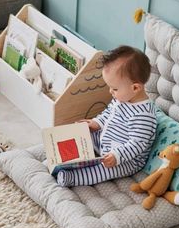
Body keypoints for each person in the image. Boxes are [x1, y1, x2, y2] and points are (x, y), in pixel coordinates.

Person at [57, 45, 157, 186]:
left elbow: (136, 145)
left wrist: (117, 156)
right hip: (106, 140)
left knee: (104, 170)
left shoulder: (144, 116)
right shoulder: (122, 97)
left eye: (114, 88)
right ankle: (63, 158)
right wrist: (96, 123)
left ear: (135, 88)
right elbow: (108, 113)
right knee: (81, 132)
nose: (111, 92)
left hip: (126, 159)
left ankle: (73, 177)